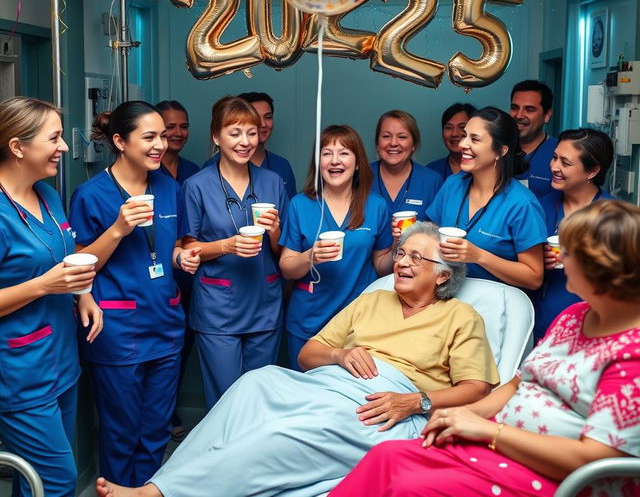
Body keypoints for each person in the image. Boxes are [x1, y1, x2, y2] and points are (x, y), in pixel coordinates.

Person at [95, 223, 500, 497]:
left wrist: (416, 402)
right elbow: (308, 354)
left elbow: (477, 388)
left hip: (386, 406)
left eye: (417, 258)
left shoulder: (460, 317)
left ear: (444, 276)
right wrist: (341, 354)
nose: (403, 263)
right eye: (401, 253)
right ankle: (165, 482)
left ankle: (157, 493)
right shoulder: (375, 298)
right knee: (254, 383)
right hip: (332, 383)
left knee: (280, 429)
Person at [330, 199, 640, 497]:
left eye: (570, 253)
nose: (560, 259)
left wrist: (488, 431)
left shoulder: (632, 355)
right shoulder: (573, 317)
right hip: (501, 444)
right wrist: (461, 416)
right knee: (386, 457)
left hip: (550, 473)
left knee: (408, 487)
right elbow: (520, 382)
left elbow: (595, 460)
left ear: (601, 269)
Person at [69, 101, 200, 487]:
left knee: (157, 429)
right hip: (117, 328)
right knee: (121, 430)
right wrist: (118, 228)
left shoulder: (168, 187)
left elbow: (164, 248)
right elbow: (77, 265)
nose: (161, 144)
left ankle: (143, 493)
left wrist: (180, 258)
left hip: (165, 322)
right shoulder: (91, 195)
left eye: (162, 136)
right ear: (120, 142)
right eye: (150, 137)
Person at [0, 97, 100, 497]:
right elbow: (45, 277)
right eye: (54, 138)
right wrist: (44, 285)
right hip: (20, 372)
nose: (63, 147)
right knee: (57, 481)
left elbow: (63, 259)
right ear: (18, 146)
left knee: (37, 480)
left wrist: (83, 295)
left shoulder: (48, 196)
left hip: (60, 360)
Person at [179, 96, 288, 409]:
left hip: (264, 301)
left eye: (251, 133)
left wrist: (276, 230)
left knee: (259, 399)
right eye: (235, 133)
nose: (245, 142)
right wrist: (227, 245)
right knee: (226, 401)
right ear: (216, 137)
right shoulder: (197, 186)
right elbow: (188, 248)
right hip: (218, 307)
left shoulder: (273, 182)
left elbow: (283, 250)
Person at [279, 124, 394, 369]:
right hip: (309, 319)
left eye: (344, 153)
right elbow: (287, 268)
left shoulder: (376, 206)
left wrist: (398, 248)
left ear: (358, 162)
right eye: (326, 153)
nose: (335, 161)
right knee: (306, 397)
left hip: (358, 322)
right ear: (318, 162)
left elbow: (381, 265)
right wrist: (311, 256)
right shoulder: (300, 204)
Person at [427, 107, 547, 289]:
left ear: (501, 151)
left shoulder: (522, 204)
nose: (462, 144)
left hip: (495, 304)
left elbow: (534, 277)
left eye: (474, 139)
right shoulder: (453, 184)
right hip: (447, 298)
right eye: (464, 135)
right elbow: (431, 234)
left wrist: (479, 256)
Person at [531, 128, 614, 342]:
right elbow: (523, 263)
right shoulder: (540, 207)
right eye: (554, 157)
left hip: (597, 326)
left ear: (592, 171)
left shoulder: (613, 215)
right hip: (545, 322)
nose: (554, 167)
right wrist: (538, 258)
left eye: (565, 163)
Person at [155, 99, 200, 442]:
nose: (177, 133)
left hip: (189, 279)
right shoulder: (146, 174)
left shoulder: (193, 173)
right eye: (169, 126)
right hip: (154, 283)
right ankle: (164, 416)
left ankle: (166, 413)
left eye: (182, 125)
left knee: (180, 350)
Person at [203, 92, 297, 199]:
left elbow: (289, 212)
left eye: (268, 117)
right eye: (255, 117)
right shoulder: (205, 175)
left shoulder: (280, 168)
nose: (262, 124)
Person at [371, 110, 442, 227]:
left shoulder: (432, 181)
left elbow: (437, 233)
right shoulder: (361, 177)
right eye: (386, 136)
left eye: (402, 137)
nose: (393, 143)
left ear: (414, 144)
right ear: (377, 143)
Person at [510, 79, 557, 199]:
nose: (519, 115)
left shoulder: (559, 154)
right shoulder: (498, 150)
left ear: (547, 115)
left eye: (529, 109)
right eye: (515, 108)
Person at [426, 103, 475, 182]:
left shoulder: (485, 171)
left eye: (462, 127)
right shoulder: (431, 171)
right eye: (448, 128)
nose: (454, 134)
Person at [155, 100, 199, 184]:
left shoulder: (192, 170)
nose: (179, 133)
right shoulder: (146, 171)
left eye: (184, 127)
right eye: (170, 127)